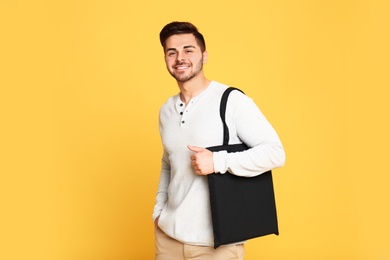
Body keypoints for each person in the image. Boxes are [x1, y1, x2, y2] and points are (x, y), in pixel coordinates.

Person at [153, 21, 286, 260]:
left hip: (217, 245)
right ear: (165, 59)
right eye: (171, 52)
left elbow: (275, 152)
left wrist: (217, 162)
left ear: (203, 56)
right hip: (168, 239)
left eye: (188, 50)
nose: (180, 58)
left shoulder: (231, 101)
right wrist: (159, 211)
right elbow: (168, 162)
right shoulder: (166, 111)